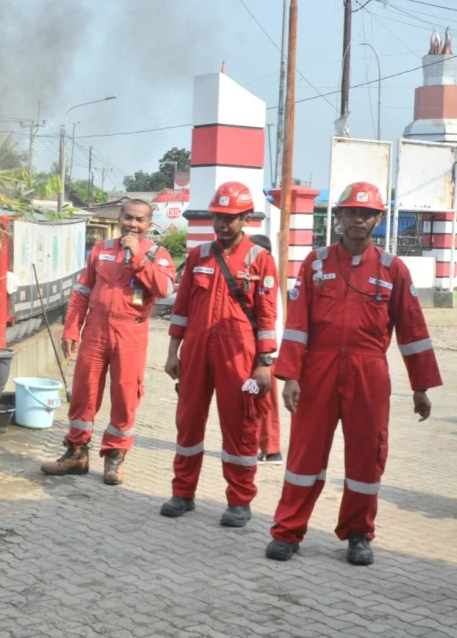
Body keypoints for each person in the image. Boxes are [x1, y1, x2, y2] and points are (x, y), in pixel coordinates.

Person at [265, 182, 441, 566]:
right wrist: (291, 376)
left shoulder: (393, 268)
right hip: (319, 370)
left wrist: (420, 387)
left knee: (367, 455)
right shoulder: (315, 263)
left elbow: (412, 330)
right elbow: (297, 326)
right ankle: (288, 531)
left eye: (367, 214)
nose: (358, 219)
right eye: (351, 213)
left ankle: (359, 534)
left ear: (378, 219)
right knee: (305, 454)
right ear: (339, 217)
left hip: (369, 371)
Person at [162, 181, 278, 528]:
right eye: (217, 217)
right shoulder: (197, 256)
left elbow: (269, 316)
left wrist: (265, 362)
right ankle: (183, 493)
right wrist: (173, 353)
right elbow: (180, 309)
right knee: (188, 422)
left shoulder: (260, 260)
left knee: (241, 426)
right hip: (197, 351)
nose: (222, 224)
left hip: (239, 355)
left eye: (230, 218)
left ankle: (240, 501)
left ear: (245, 219)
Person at [40, 199, 175, 484]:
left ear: (149, 225)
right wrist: (70, 330)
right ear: (119, 218)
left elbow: (163, 288)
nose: (133, 224)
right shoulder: (101, 251)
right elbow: (81, 292)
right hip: (96, 330)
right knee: (83, 392)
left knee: (126, 396)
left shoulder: (158, 254)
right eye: (128, 218)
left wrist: (137, 257)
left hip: (131, 332)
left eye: (140, 220)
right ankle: (76, 453)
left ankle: (115, 457)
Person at [247, 234, 283, 464]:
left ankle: (270, 449)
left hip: (264, 351)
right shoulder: (264, 278)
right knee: (255, 397)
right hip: (263, 348)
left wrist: (264, 355)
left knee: (263, 398)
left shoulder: (265, 278)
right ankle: (261, 446)